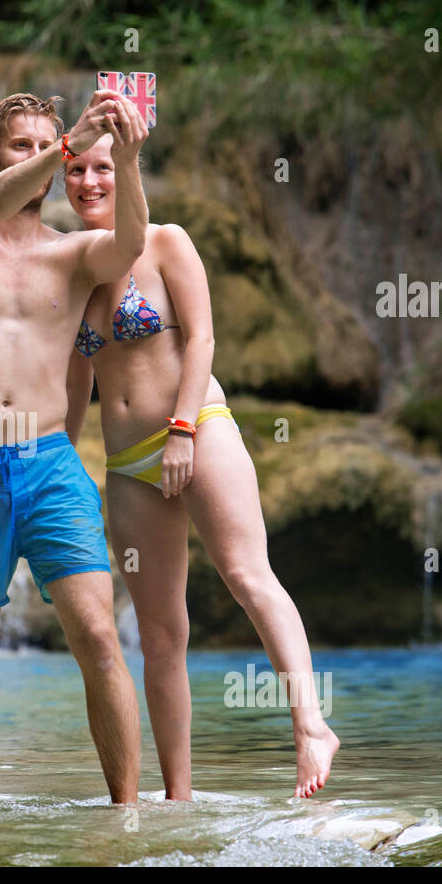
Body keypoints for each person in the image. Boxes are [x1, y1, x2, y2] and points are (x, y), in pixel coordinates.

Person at [62, 134, 339, 800]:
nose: (90, 180)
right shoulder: (71, 266)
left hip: (197, 428)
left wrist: (184, 429)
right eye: (76, 169)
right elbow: (75, 384)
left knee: (247, 574)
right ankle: (178, 797)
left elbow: (204, 337)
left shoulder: (167, 242)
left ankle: (310, 725)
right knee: (159, 634)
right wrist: (61, 464)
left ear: (126, 169)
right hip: (127, 461)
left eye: (104, 166)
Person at [0, 88, 148, 804]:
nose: (46, 160)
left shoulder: (74, 255)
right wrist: (69, 141)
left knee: (99, 639)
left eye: (47, 147)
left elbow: (130, 245)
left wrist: (129, 164)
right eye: (25, 145)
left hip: (51, 462)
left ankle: (128, 817)